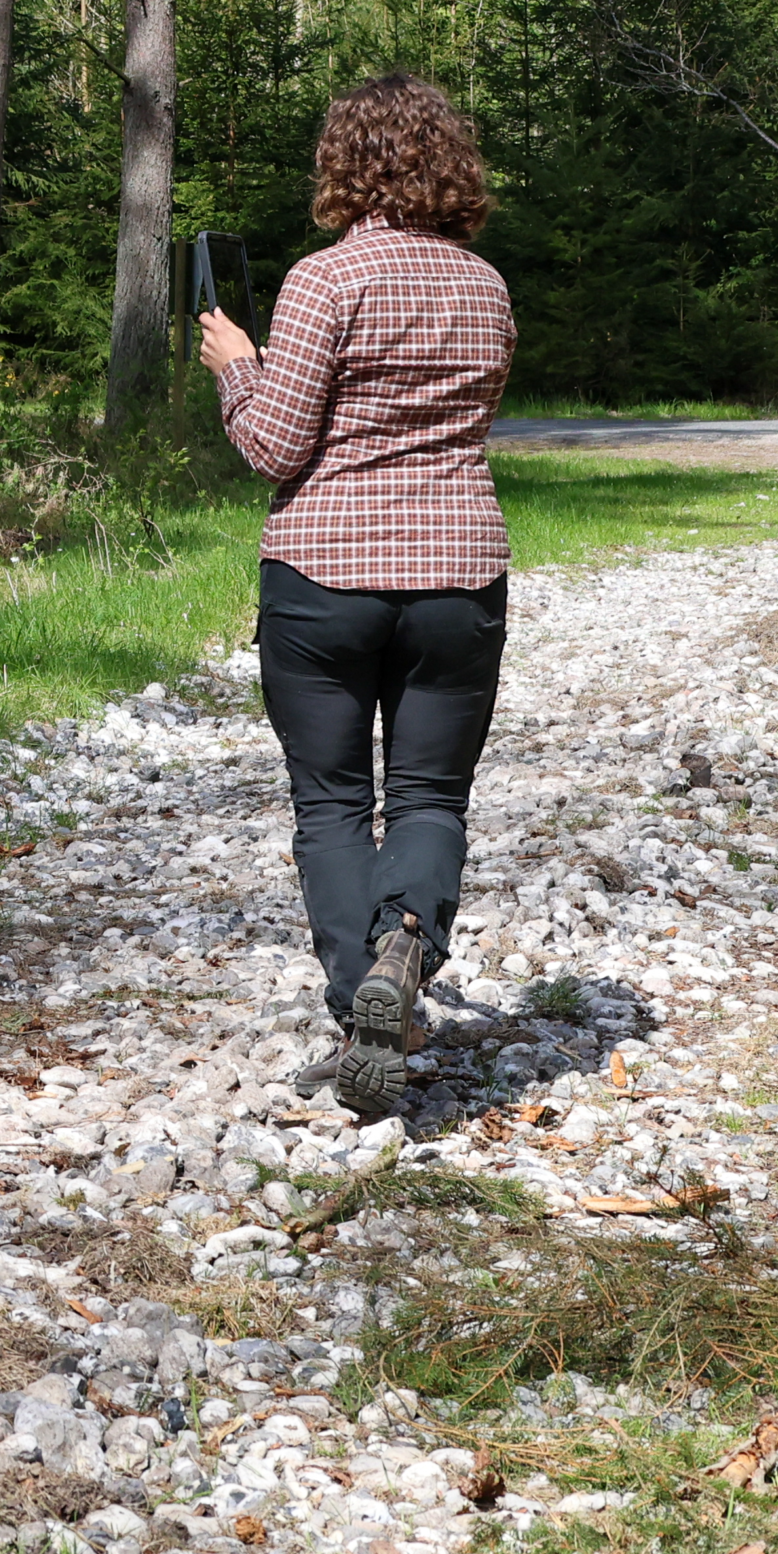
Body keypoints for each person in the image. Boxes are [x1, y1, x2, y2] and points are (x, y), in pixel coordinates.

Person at [197, 73, 515, 1120]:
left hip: (324, 573)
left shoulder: (322, 281)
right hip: (457, 575)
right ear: (449, 165)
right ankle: (404, 951)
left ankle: (359, 1005)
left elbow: (273, 443)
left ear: (344, 166)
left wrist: (236, 366)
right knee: (429, 798)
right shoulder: (485, 286)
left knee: (331, 803)